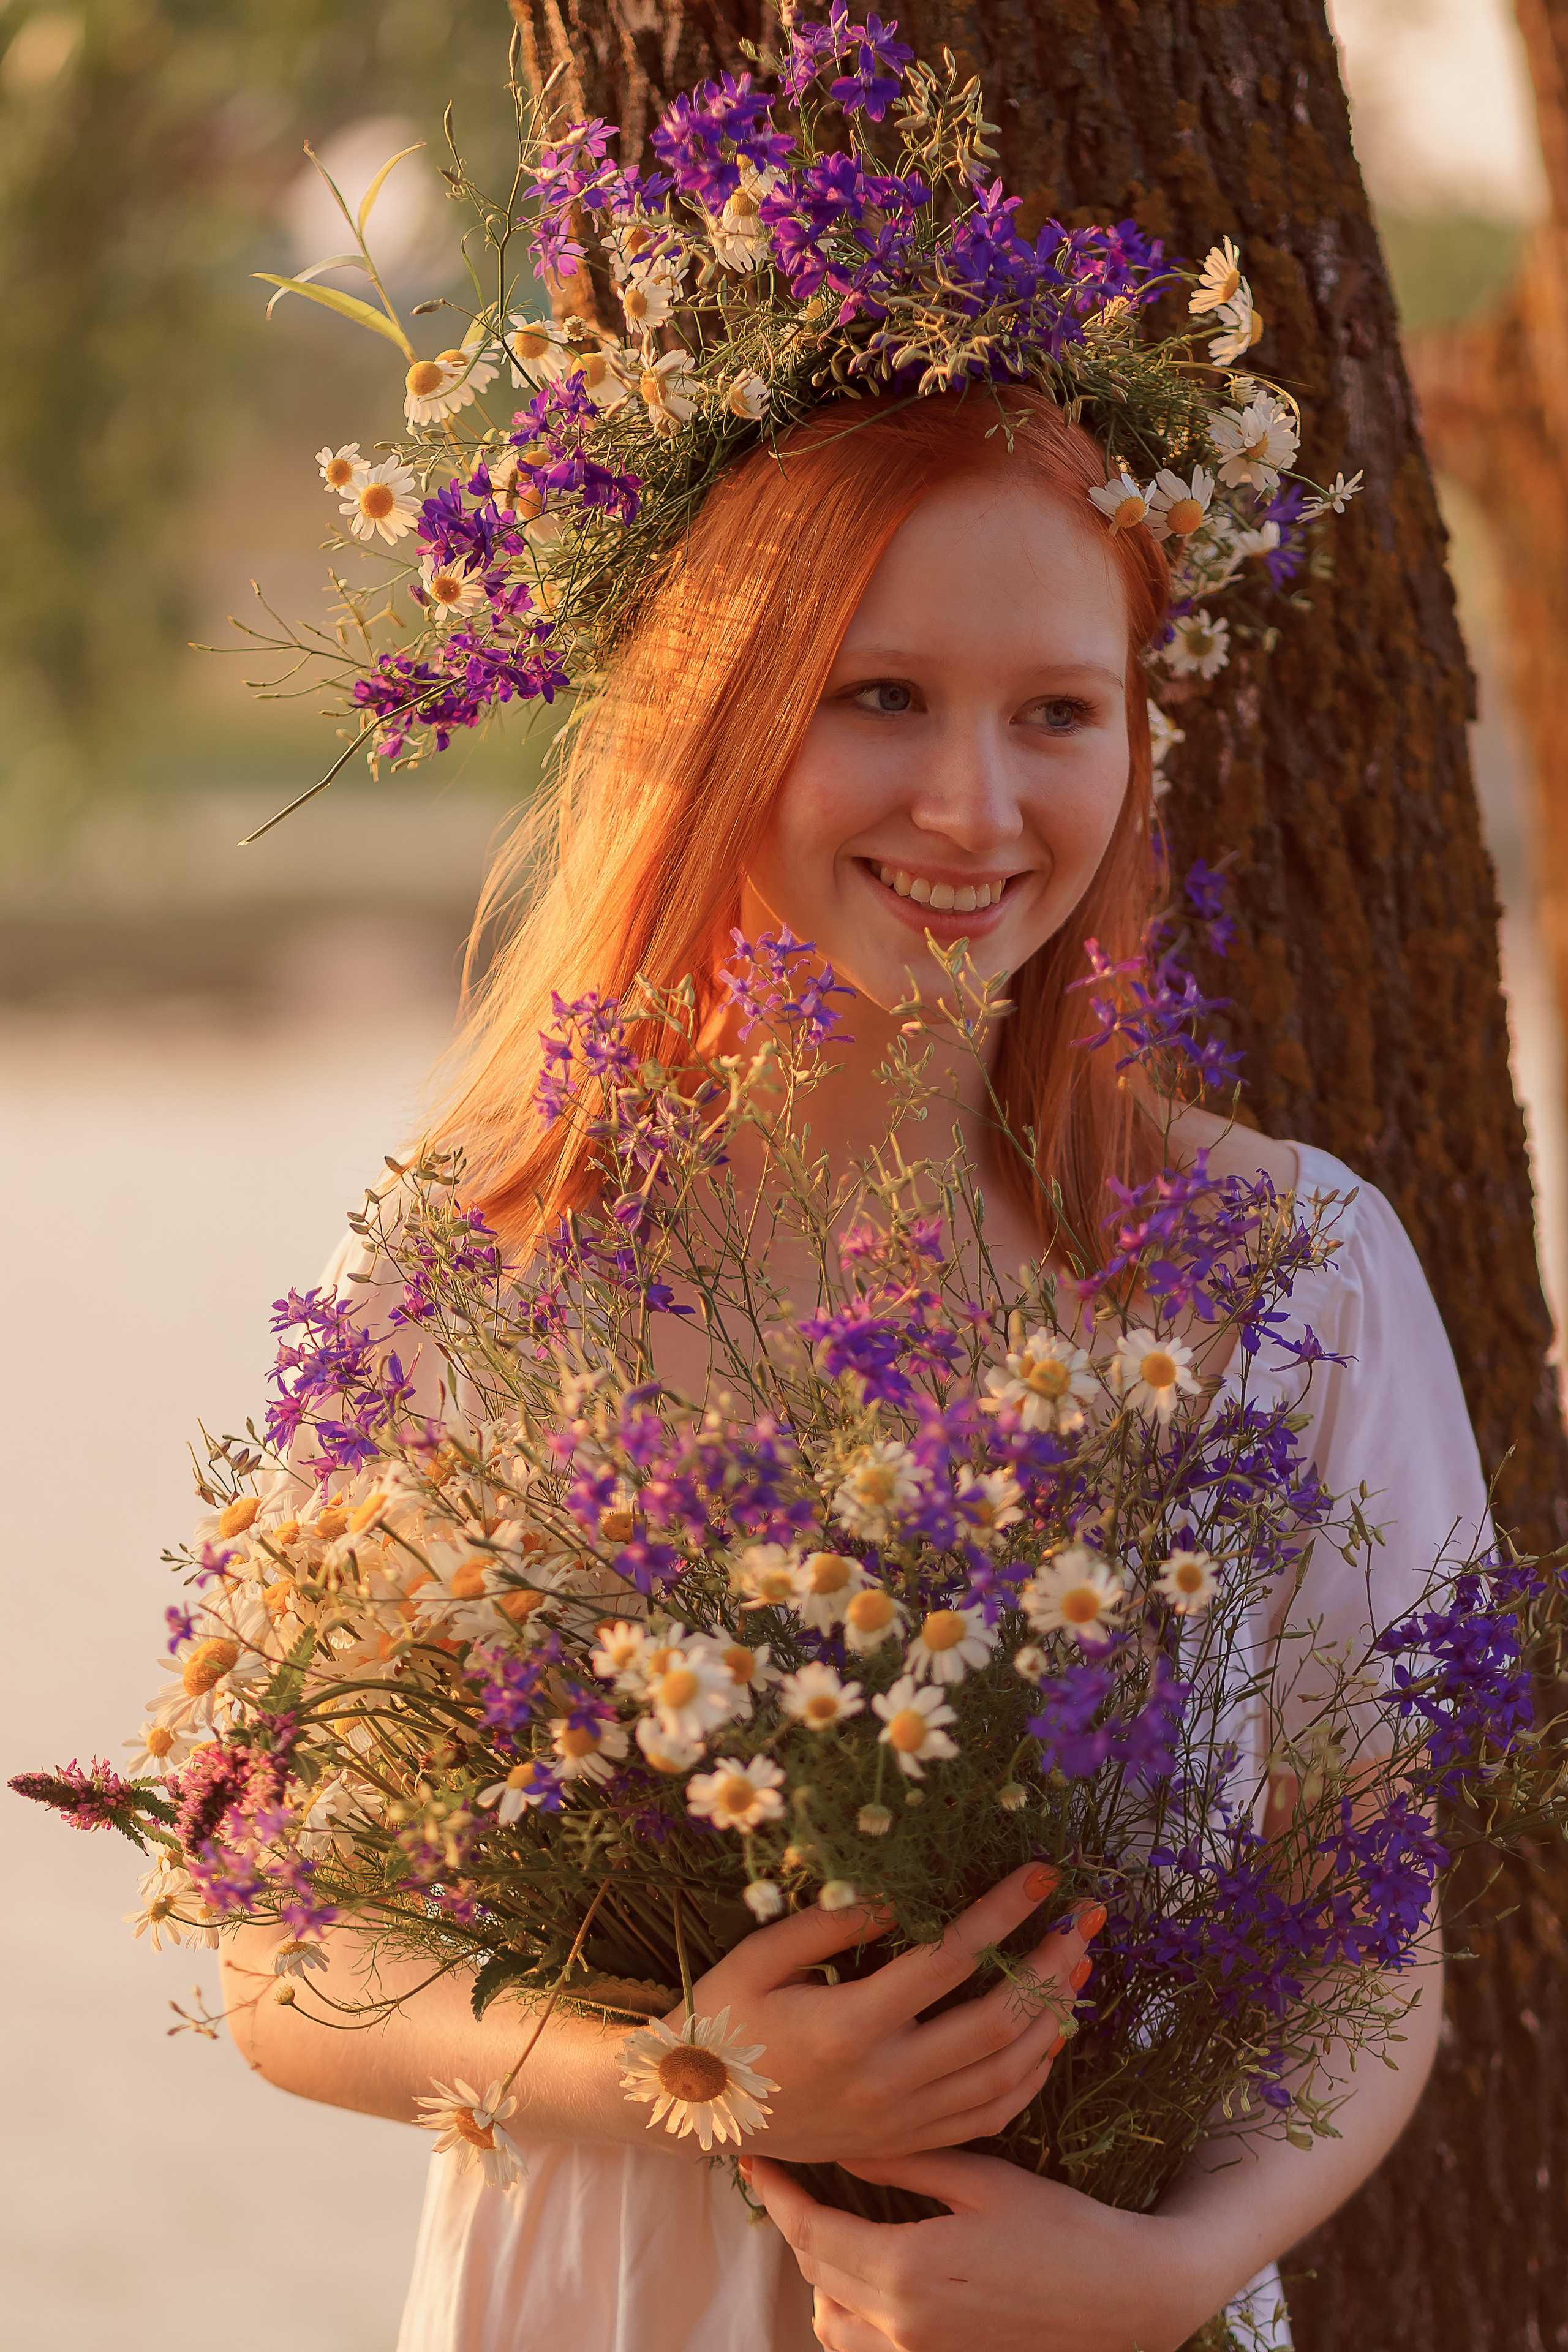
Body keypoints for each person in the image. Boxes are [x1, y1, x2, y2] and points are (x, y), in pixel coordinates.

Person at [221, 389, 1487, 2351]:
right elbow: (272, 1951)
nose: (975, 808)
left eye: (1056, 712)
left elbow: (1374, 1952)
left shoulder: (1292, 1266)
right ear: (721, 715)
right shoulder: (486, 1265)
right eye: (880, 697)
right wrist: (694, 2075)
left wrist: (1164, 2276)